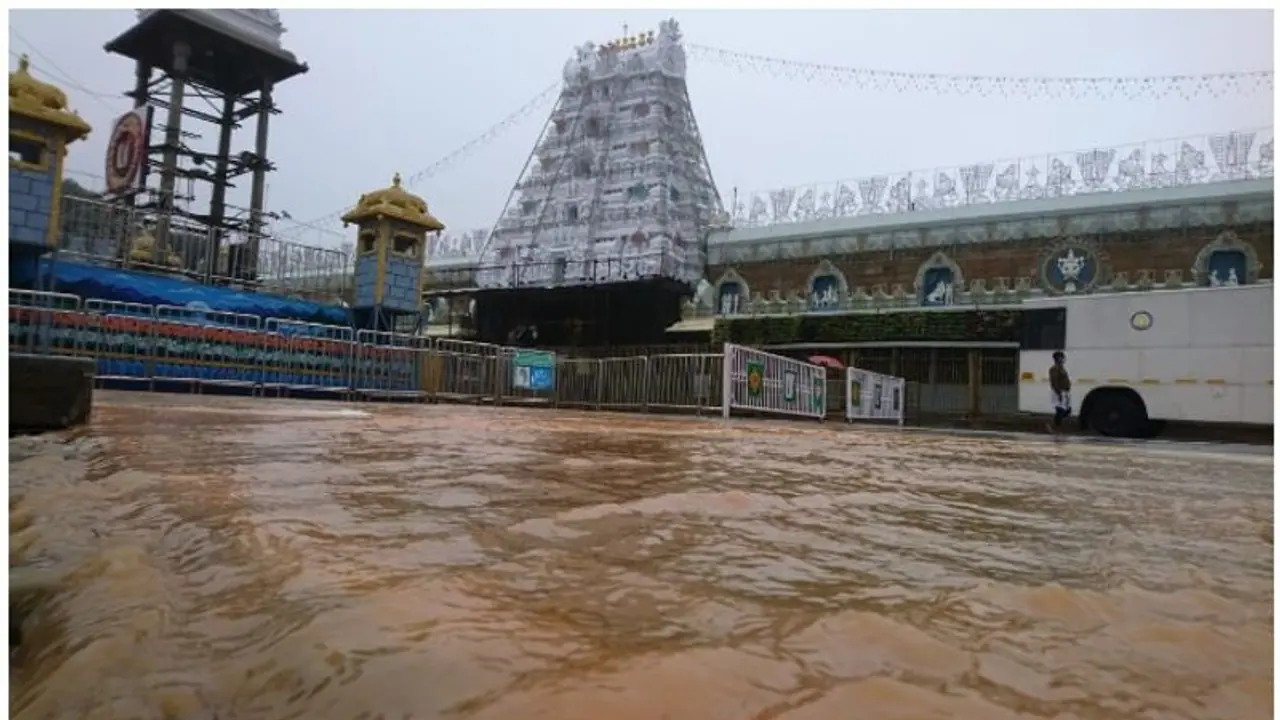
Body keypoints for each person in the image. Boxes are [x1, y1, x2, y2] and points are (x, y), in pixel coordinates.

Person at [1047, 351, 1071, 433]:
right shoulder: (1054, 369)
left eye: (1063, 357)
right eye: (1061, 357)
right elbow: (1054, 382)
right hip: (1059, 392)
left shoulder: (1062, 368)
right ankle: (1052, 426)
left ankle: (1055, 426)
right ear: (1057, 359)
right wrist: (1059, 393)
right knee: (1061, 411)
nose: (1063, 359)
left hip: (1065, 392)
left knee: (1067, 410)